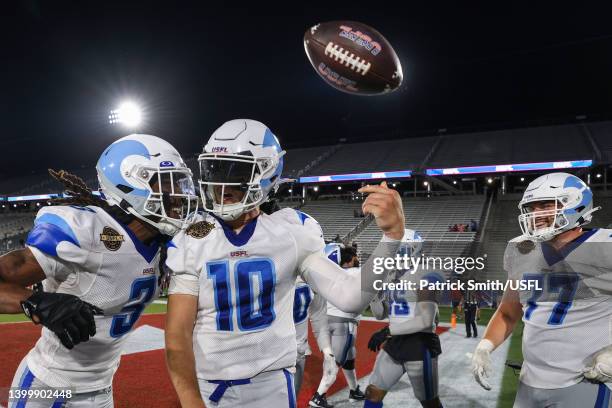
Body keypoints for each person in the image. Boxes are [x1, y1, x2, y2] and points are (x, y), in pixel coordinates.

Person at [164, 119, 405, 408]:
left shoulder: (290, 231)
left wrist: (392, 237)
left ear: (265, 174)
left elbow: (350, 296)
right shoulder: (193, 236)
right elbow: (177, 333)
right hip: (207, 383)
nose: (221, 184)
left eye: (235, 171)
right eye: (215, 170)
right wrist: (191, 402)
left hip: (272, 385)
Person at [0, 134, 197, 407]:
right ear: (128, 184)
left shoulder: (168, 243)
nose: (178, 196)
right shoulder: (89, 231)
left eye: (179, 184)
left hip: (101, 390)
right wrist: (35, 301)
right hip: (45, 386)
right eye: (166, 184)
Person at [471, 172, 612, 407]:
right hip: (529, 383)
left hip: (584, 384)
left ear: (575, 203)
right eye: (532, 208)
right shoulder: (521, 249)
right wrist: (484, 346)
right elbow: (508, 312)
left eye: (546, 205)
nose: (536, 215)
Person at [366, 229, 444, 408]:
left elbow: (426, 321)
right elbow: (381, 314)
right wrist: (374, 295)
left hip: (419, 344)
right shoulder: (391, 275)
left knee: (430, 403)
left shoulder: (426, 274)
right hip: (395, 343)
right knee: (372, 392)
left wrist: (387, 331)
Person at [309, 245, 365, 408]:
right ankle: (318, 397)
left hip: (327, 320)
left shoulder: (327, 274)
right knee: (335, 362)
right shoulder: (356, 273)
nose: (357, 259)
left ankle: (354, 390)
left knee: (349, 355)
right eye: (354, 257)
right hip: (344, 323)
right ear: (348, 261)